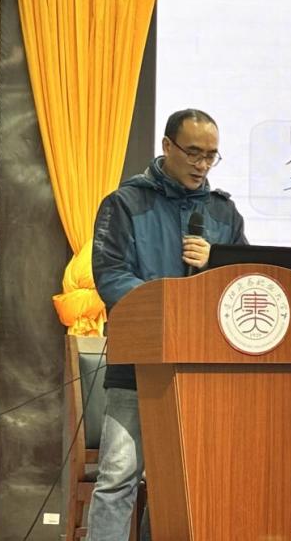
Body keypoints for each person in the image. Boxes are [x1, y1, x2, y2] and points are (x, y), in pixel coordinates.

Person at [86, 108, 247, 541]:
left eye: (211, 156)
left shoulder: (223, 213)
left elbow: (243, 282)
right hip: (137, 364)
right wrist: (170, 309)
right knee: (118, 476)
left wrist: (216, 260)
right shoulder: (125, 203)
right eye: (193, 153)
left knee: (178, 482)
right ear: (167, 146)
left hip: (200, 367)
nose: (202, 165)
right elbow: (110, 275)